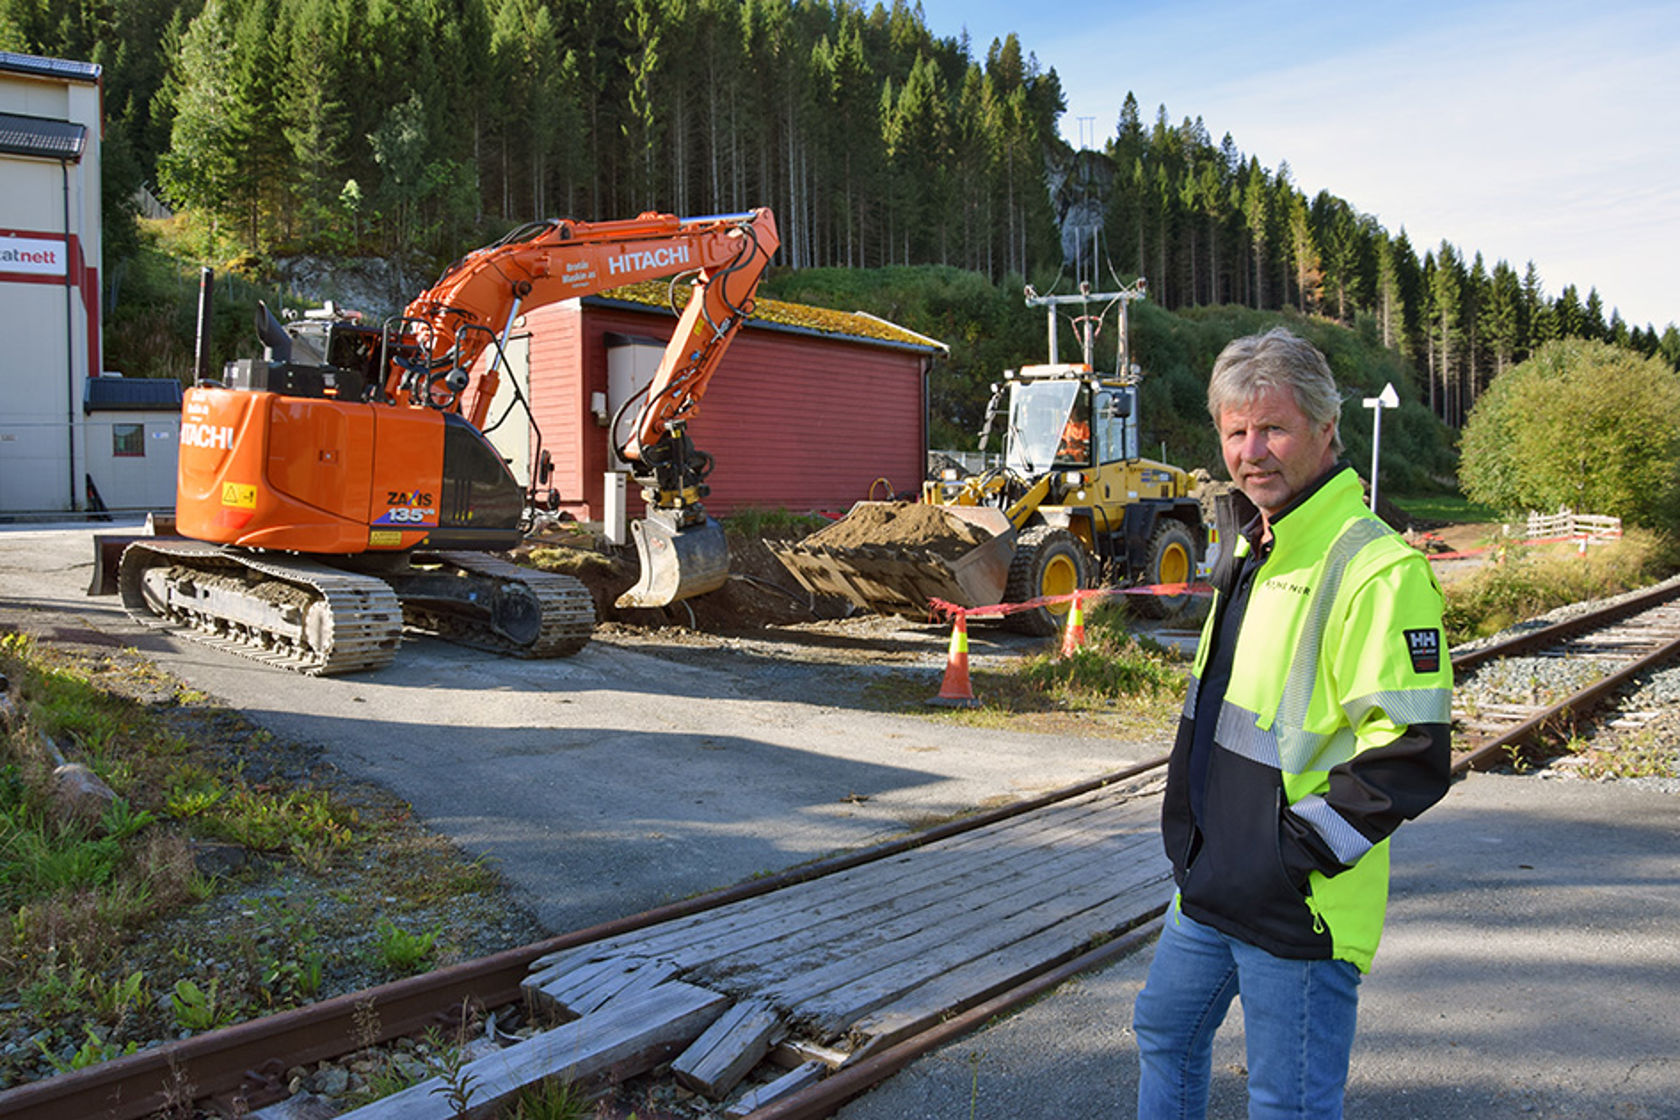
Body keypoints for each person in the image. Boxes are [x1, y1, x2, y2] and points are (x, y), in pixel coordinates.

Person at [1133, 328, 1453, 1119]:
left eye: (1272, 428)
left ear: (1323, 427)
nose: (1253, 451)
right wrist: (1203, 846)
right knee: (1164, 1034)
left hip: (1297, 902)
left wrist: (1293, 853)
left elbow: (1411, 753)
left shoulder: (1375, 568)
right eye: (1236, 432)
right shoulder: (1255, 548)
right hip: (1210, 880)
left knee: (1289, 1103)